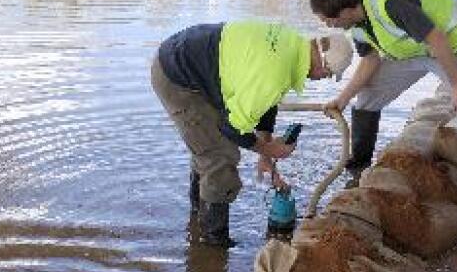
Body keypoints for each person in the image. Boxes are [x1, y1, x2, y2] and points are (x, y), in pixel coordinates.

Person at [152, 20, 354, 247]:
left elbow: (266, 103)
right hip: (178, 77)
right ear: (323, 62)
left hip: (194, 60)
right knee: (220, 156)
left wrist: (265, 156)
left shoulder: (290, 47)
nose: (322, 78)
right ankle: (211, 244)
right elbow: (234, 128)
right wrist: (269, 148)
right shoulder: (275, 73)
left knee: (208, 148)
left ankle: (199, 217)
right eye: (328, 74)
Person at [309, 0, 457, 218]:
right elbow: (370, 61)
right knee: (367, 96)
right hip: (416, 52)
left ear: (346, 10)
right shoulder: (356, 27)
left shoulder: (392, 5)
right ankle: (359, 165)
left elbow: (437, 39)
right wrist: (343, 98)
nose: (329, 25)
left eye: (329, 19)